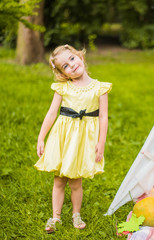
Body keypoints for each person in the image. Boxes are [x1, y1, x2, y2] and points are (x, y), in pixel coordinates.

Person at [34, 44, 111, 233]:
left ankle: (76, 214)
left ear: (80, 57)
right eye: (65, 66)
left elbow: (103, 117)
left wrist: (101, 142)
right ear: (63, 74)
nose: (71, 65)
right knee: (59, 179)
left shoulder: (100, 88)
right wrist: (41, 137)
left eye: (72, 59)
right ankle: (56, 217)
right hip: (64, 139)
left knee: (76, 181)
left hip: (83, 141)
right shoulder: (63, 88)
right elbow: (52, 113)